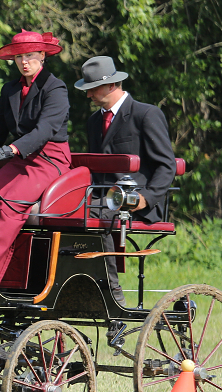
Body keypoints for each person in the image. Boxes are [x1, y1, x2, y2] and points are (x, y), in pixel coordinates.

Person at [0, 30, 71, 285]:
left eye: (30, 55)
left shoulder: (55, 88)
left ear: (42, 55)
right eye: (19, 57)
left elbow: (44, 131)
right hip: (19, 161)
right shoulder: (9, 90)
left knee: (6, 206)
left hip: (49, 161)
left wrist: (12, 150)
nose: (24, 61)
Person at [74, 55, 177, 305]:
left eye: (92, 89)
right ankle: (77, 285)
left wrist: (146, 198)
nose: (88, 96)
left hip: (137, 203)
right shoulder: (94, 121)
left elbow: (167, 165)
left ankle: (111, 293)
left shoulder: (146, 115)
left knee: (97, 215)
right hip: (101, 199)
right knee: (63, 212)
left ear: (111, 85)